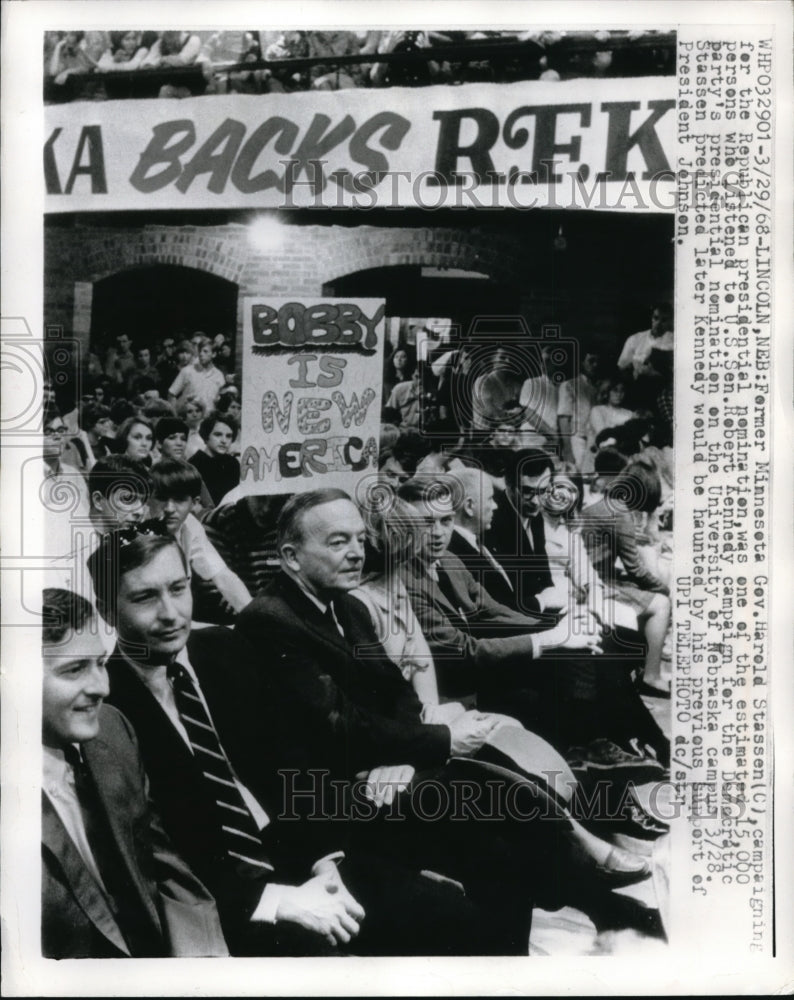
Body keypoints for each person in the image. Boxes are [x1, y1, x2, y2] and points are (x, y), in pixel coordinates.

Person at [236, 490, 652, 926]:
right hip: (333, 800)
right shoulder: (270, 620)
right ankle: (601, 900)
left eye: (360, 539)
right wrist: (436, 742)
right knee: (495, 802)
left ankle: (592, 904)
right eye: (339, 542)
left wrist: (404, 756)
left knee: (504, 833)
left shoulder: (343, 604)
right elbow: (337, 724)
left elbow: (398, 694)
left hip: (383, 771)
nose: (357, 552)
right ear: (291, 556)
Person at [90, 527, 508, 956]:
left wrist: (324, 863)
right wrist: (274, 901)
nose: (171, 613)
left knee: (457, 918)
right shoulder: (104, 707)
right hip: (224, 903)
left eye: (179, 589)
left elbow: (289, 762)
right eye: (145, 597)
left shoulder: (223, 648)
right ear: (107, 610)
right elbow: (154, 861)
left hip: (301, 854)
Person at [41, 587, 228, 958]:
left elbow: (169, 873)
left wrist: (207, 969)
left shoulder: (113, 731)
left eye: (100, 663)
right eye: (74, 670)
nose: (102, 687)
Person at [579, 462, 672, 697]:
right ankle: (651, 676)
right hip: (594, 585)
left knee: (642, 592)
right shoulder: (621, 513)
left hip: (590, 577)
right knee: (661, 603)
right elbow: (635, 569)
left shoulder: (605, 504)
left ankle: (643, 666)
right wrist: (665, 589)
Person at [149, 459, 252, 615]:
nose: (169, 508)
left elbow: (222, 576)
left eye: (179, 499)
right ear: (149, 498)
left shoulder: (190, 525)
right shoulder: (134, 528)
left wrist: (254, 618)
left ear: (194, 503)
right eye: (161, 498)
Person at [557, 349, 601, 472]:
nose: (595, 365)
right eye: (591, 361)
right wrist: (567, 449)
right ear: (582, 363)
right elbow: (563, 419)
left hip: (594, 442)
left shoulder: (598, 389)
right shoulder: (569, 385)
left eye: (597, 362)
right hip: (577, 440)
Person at [188, 412, 240, 506]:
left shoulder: (233, 463)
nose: (224, 441)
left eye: (228, 436)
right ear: (206, 436)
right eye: (218, 434)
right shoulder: (193, 465)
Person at [168, 336, 225, 414]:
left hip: (209, 419)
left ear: (214, 354)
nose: (201, 354)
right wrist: (175, 414)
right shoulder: (187, 371)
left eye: (205, 351)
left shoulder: (219, 376)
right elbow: (171, 394)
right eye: (200, 351)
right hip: (189, 418)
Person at [586, 375, 635, 455]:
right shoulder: (597, 410)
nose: (619, 394)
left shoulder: (629, 414)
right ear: (606, 392)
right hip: (599, 455)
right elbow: (603, 436)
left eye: (622, 391)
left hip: (623, 454)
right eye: (615, 390)